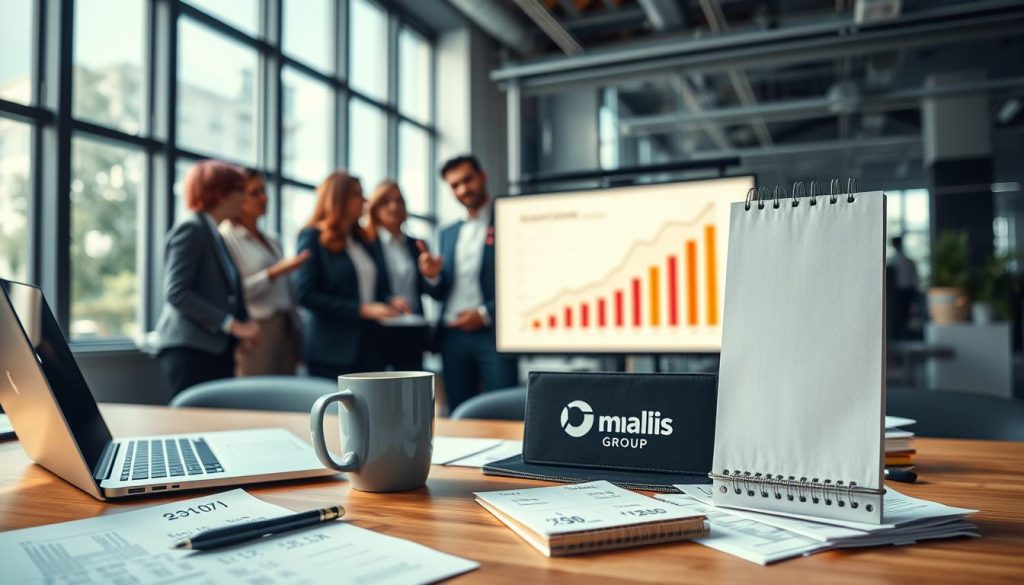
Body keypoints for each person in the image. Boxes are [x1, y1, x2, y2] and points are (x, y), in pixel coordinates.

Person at [419, 155, 518, 412]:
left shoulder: (511, 219)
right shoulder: (447, 233)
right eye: (454, 185)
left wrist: (485, 314)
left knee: (503, 408)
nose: (463, 189)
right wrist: (432, 275)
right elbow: (440, 292)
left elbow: (522, 281)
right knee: (459, 411)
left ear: (482, 176)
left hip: (494, 333)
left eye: (468, 180)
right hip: (452, 337)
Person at [155, 160, 261, 396]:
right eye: (239, 190)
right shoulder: (192, 229)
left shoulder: (215, 234)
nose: (244, 198)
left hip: (213, 350)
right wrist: (232, 325)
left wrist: (244, 325)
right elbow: (176, 292)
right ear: (219, 194)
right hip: (191, 351)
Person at [294, 171, 401, 379]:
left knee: (371, 409)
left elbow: (372, 288)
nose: (365, 200)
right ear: (338, 197)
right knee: (335, 411)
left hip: (370, 346)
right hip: (331, 350)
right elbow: (305, 294)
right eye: (357, 194)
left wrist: (390, 300)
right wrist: (361, 310)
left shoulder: (361, 239)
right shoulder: (312, 236)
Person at [219, 168, 310, 376]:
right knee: (255, 398)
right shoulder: (227, 237)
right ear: (238, 196)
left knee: (284, 397)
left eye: (264, 191)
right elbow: (234, 294)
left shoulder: (271, 240)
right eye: (255, 193)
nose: (264, 197)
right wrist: (273, 273)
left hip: (285, 327)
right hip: (257, 329)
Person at [363, 180, 432, 371]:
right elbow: (363, 285)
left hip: (412, 331)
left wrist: (432, 276)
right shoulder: (365, 243)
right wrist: (388, 300)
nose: (394, 206)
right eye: (385, 201)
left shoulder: (416, 244)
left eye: (399, 201)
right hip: (376, 332)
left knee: (411, 392)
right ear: (374, 207)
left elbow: (431, 289)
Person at [887, 236, 920, 339]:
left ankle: (899, 336)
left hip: (897, 292)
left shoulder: (891, 261)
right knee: (905, 316)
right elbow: (916, 279)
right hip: (907, 291)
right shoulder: (910, 261)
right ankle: (903, 336)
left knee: (898, 315)